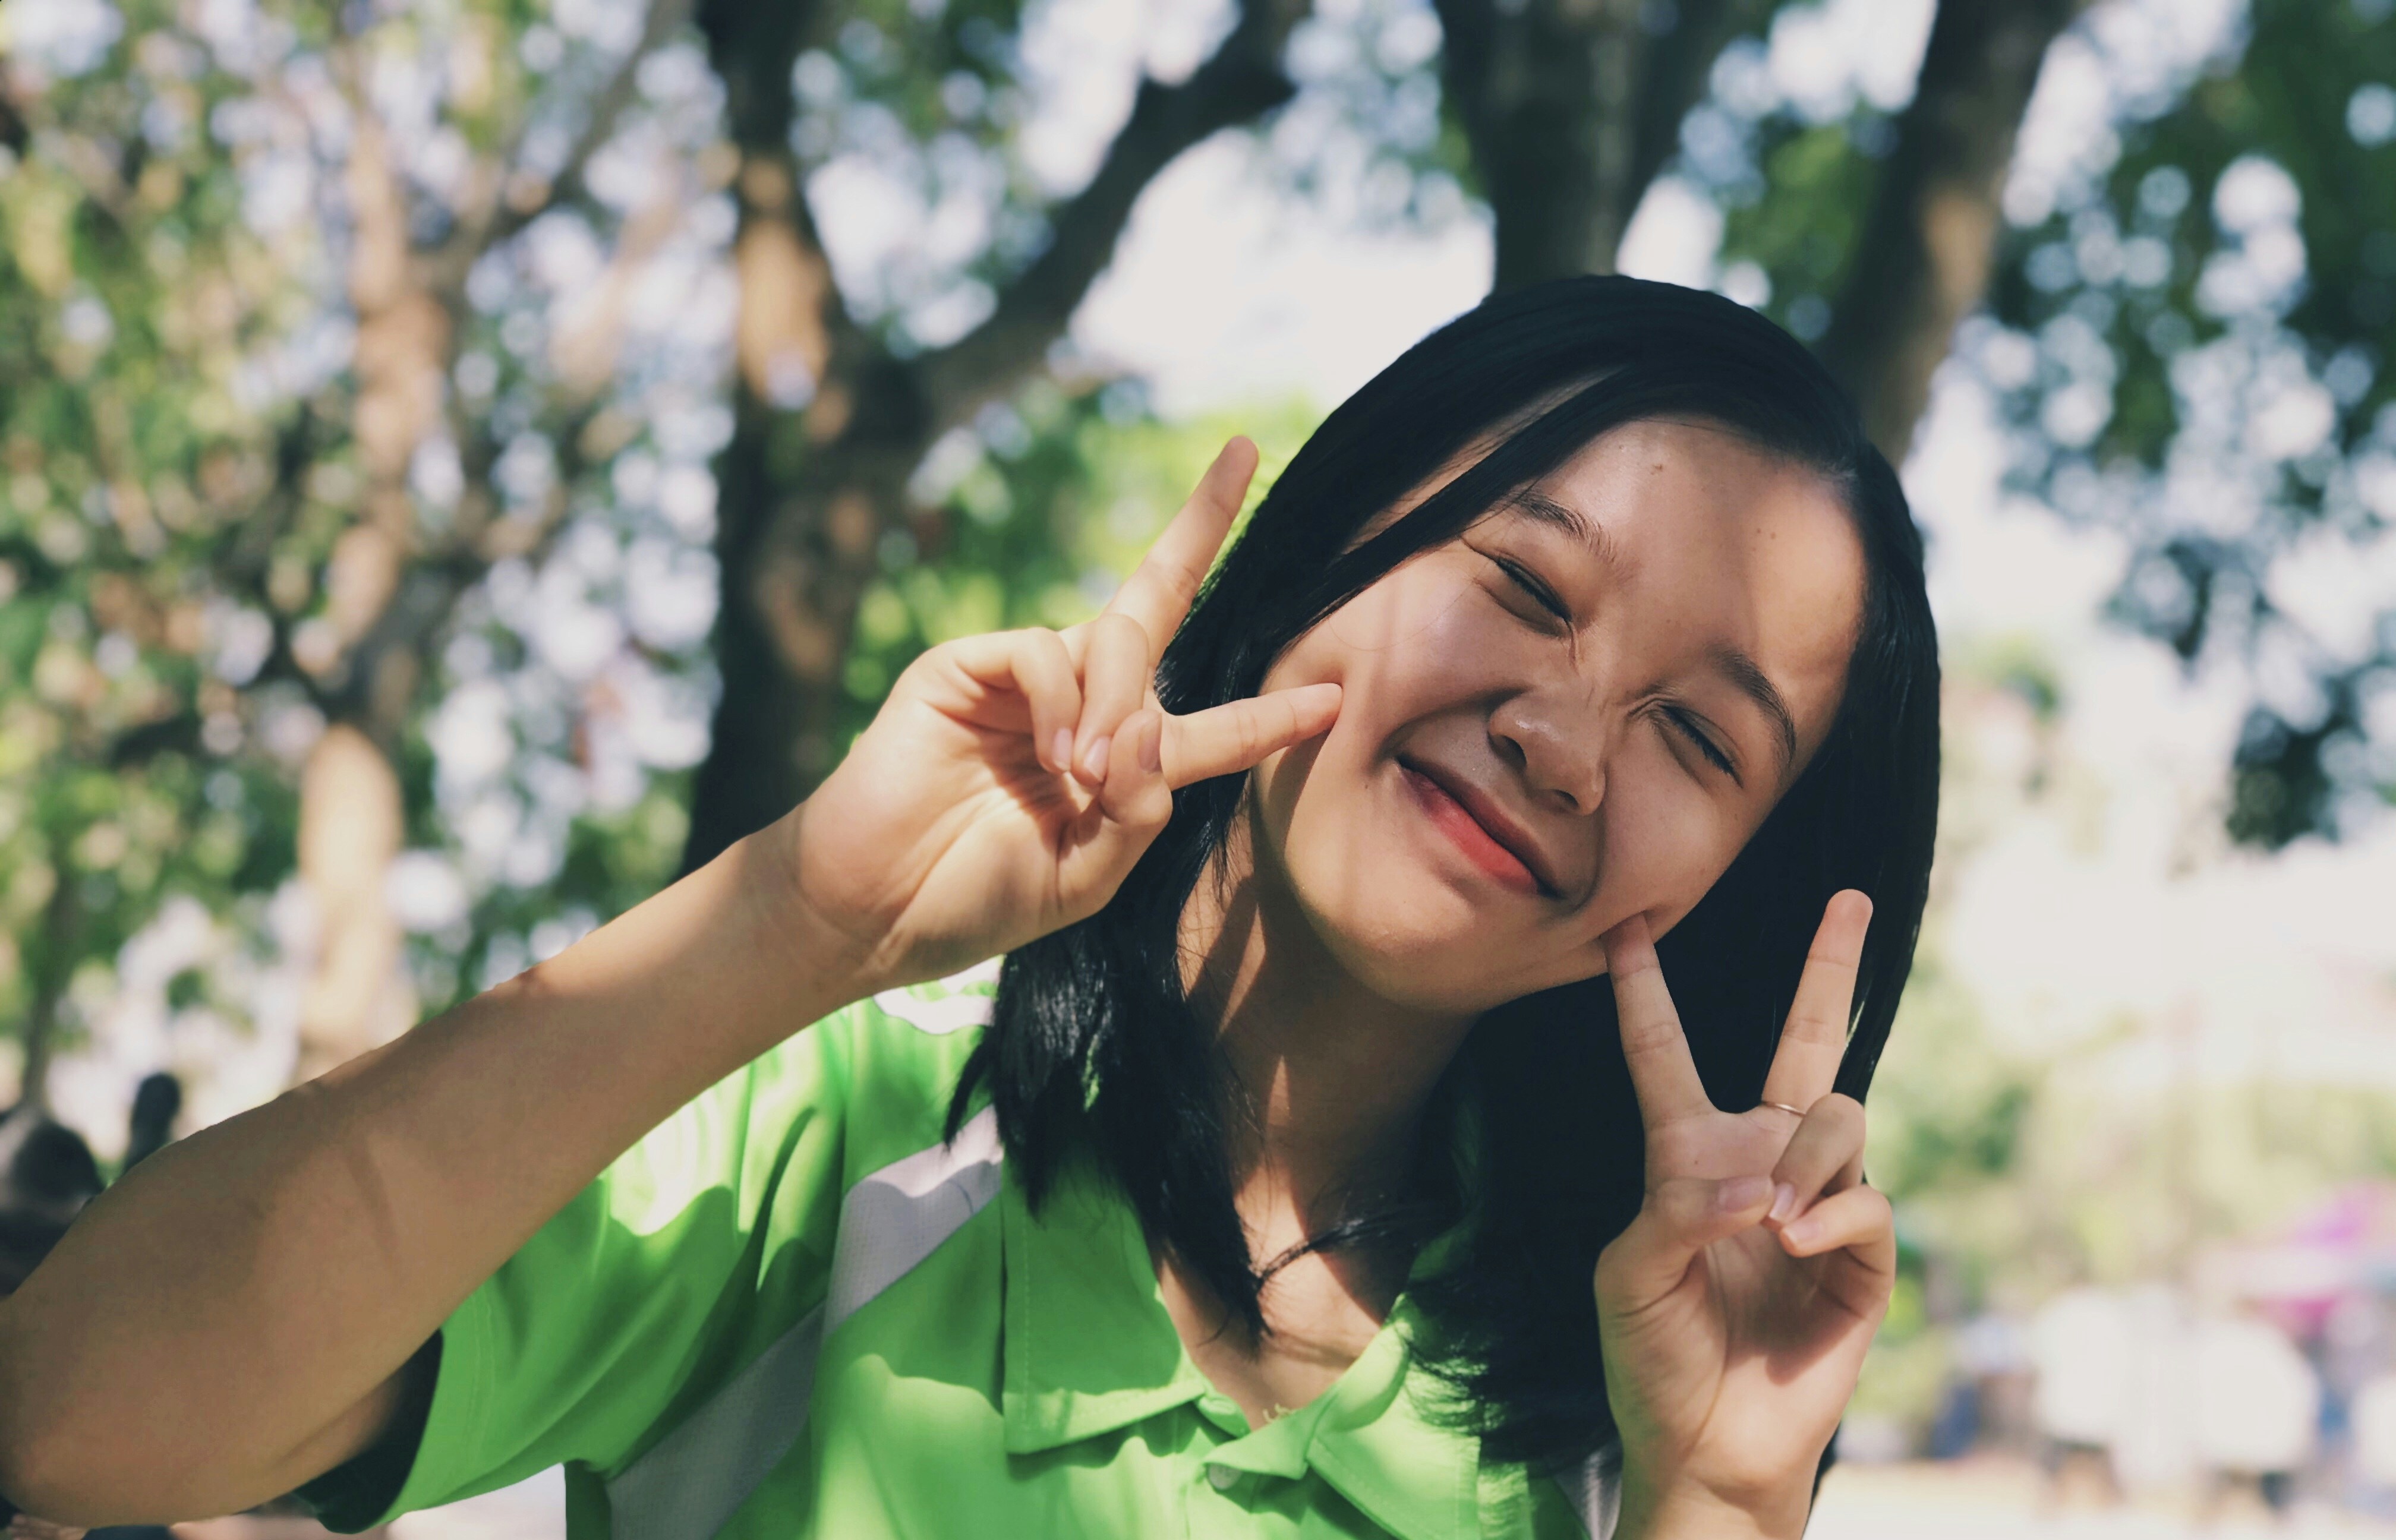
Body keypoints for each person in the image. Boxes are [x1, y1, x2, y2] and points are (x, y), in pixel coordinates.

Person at [0, 275, 1940, 1539]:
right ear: (1329, 546)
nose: (1566, 741)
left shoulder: (1624, 1403)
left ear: (1736, 878)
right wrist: (798, 920)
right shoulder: (859, 1125)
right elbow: (74, 1415)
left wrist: (1721, 1508)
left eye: (1702, 736)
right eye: (1523, 585)